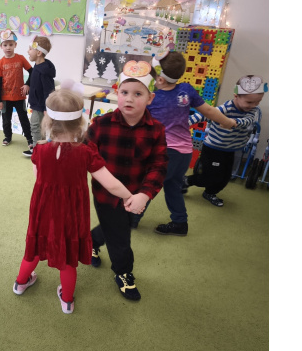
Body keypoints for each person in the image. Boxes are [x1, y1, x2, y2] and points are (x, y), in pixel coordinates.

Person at [12, 88, 137, 314]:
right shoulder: (86, 152)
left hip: (43, 210)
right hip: (71, 213)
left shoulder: (39, 150)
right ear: (81, 122)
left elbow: (38, 178)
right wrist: (130, 196)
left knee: (35, 248)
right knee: (68, 258)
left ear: (48, 120)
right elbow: (111, 184)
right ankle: (67, 299)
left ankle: (21, 283)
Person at [87, 62, 168, 301]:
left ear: (150, 98)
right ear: (117, 93)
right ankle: (123, 272)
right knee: (121, 237)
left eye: (138, 94)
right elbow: (84, 156)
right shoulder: (100, 125)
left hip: (138, 196)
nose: (129, 99)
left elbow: (159, 165)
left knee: (118, 226)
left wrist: (144, 194)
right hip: (105, 195)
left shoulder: (156, 130)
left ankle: (90, 241)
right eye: (124, 92)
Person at [143, 51, 237, 236]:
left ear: (160, 79)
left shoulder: (152, 98)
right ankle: (180, 223)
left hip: (165, 153)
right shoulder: (186, 90)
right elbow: (209, 110)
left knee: (147, 184)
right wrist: (227, 122)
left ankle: (131, 218)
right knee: (172, 186)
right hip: (185, 152)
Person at [183, 75, 268, 207]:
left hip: (230, 150)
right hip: (213, 148)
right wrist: (184, 123)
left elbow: (248, 121)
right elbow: (204, 114)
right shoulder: (225, 108)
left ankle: (210, 193)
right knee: (209, 177)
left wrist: (232, 122)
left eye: (258, 101)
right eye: (249, 102)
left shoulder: (253, 110)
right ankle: (186, 181)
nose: (254, 105)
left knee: (225, 178)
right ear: (236, 96)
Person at [0, 29, 33, 150]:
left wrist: (27, 84)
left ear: (15, 45)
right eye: (5, 45)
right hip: (5, 98)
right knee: (6, 120)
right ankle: (7, 137)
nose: (8, 47)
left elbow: (32, 72)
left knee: (23, 118)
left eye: (11, 44)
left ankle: (29, 138)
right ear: (1, 46)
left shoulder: (21, 58)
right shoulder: (0, 63)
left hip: (19, 96)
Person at [22, 36, 56, 157]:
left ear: (38, 53)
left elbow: (49, 91)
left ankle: (37, 150)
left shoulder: (44, 71)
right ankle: (41, 147)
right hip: (37, 103)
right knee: (39, 126)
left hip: (41, 105)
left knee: (35, 126)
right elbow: (32, 77)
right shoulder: (37, 66)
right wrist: (27, 84)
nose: (28, 51)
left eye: (30, 49)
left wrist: (47, 108)